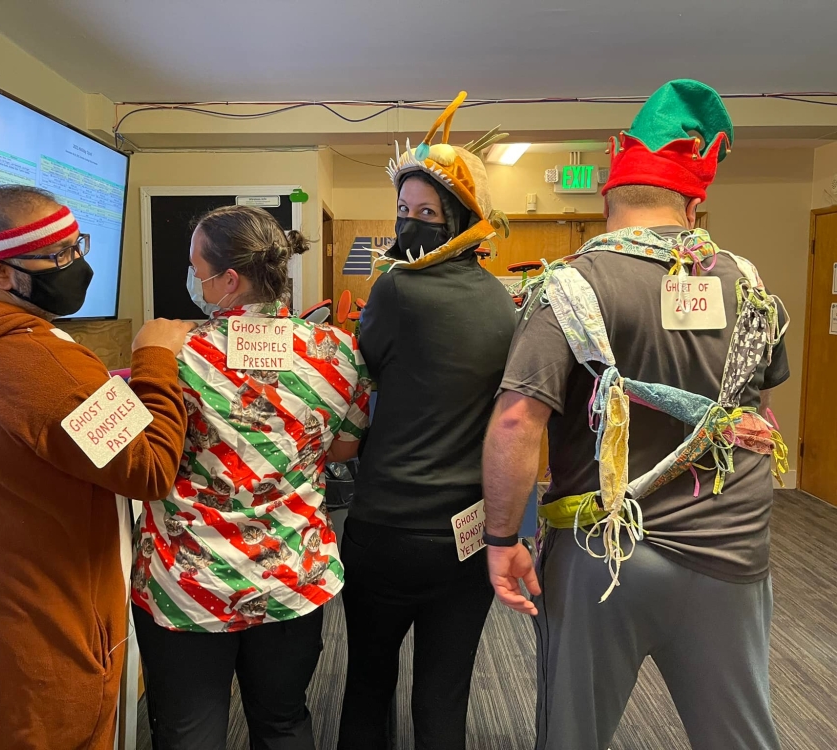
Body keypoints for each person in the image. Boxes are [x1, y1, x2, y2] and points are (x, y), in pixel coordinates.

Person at [483, 80, 789, 750]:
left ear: (608, 196)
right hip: (730, 550)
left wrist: (502, 538)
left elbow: (515, 422)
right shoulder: (748, 284)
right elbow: (757, 418)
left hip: (602, 554)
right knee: (738, 735)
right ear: (696, 204)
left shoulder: (569, 286)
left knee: (573, 734)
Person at [0, 186, 192, 749]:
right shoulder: (45, 364)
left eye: (78, 246)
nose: (79, 266)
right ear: (0, 274)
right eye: (60, 256)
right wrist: (155, 358)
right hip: (52, 638)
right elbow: (149, 469)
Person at [130, 205, 372, 750]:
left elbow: (139, 457)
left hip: (189, 585)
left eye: (196, 268)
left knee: (189, 731)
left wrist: (148, 357)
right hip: (291, 576)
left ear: (229, 280)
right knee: (283, 721)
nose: (191, 279)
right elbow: (344, 447)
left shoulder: (171, 353)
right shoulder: (339, 351)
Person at [337, 92, 517, 750]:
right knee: (445, 693)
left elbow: (364, 368)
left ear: (460, 219)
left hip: (386, 526)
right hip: (465, 534)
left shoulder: (395, 288)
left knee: (368, 684)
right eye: (403, 211)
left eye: (426, 214)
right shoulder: (503, 303)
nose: (409, 224)